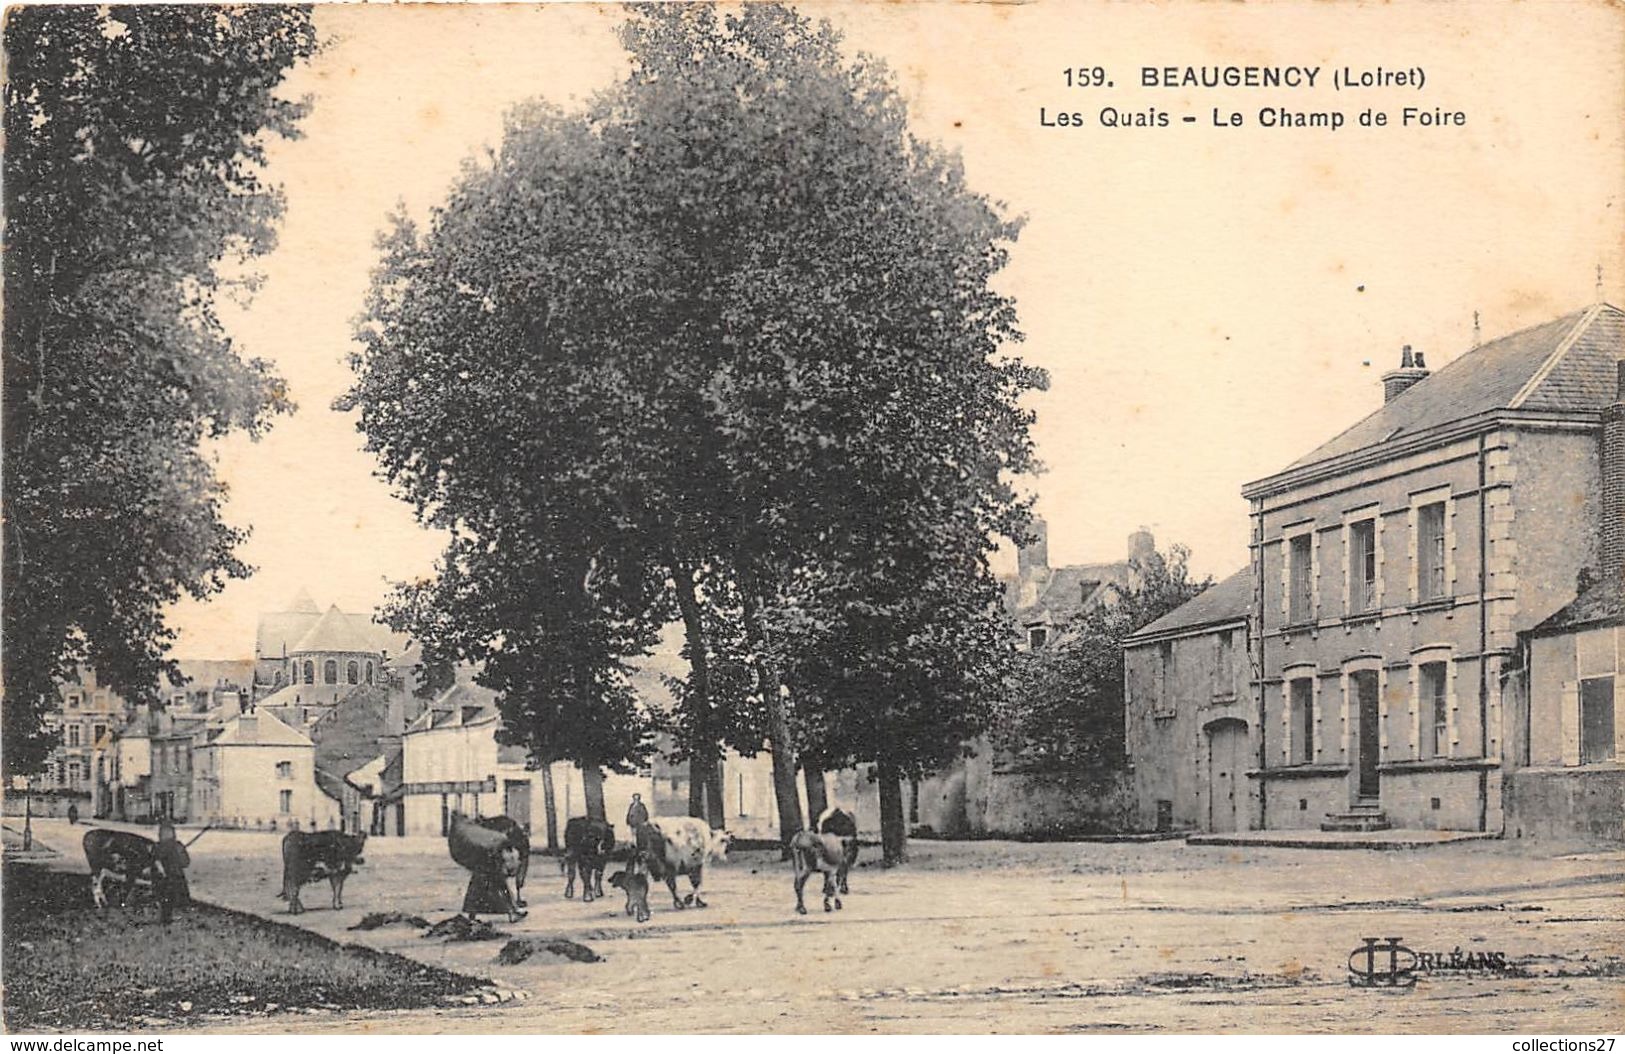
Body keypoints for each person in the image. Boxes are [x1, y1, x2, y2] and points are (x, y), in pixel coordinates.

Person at [152, 822, 191, 925]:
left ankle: (165, 918)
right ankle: (167, 919)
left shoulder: (157, 846)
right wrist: (181, 852)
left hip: (163, 878)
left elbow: (155, 861)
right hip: (174, 877)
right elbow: (185, 863)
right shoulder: (177, 846)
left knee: (165, 900)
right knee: (173, 899)